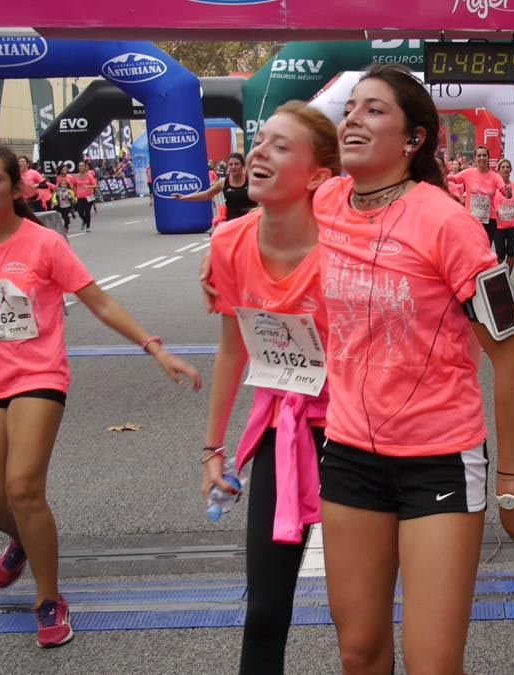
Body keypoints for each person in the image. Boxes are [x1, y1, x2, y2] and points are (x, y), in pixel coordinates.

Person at [314, 65, 514, 674]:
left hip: (438, 460)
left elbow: (509, 359)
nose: (353, 119)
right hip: (348, 454)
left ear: (415, 139)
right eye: (351, 108)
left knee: (432, 665)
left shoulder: (450, 225)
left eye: (373, 111)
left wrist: (512, 485)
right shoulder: (326, 203)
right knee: (358, 652)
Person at [0, 145, 202, 648]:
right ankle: (22, 540)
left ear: (15, 188)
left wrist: (154, 348)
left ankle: (49, 599)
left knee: (23, 485)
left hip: (37, 377)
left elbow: (99, 301)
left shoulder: (43, 244)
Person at [202, 102, 340, 674]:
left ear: (317, 176)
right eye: (260, 141)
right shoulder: (229, 242)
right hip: (284, 433)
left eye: (280, 146)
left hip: (359, 440)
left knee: (358, 624)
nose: (259, 153)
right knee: (263, 614)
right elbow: (235, 345)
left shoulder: (347, 245)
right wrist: (214, 448)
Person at [172, 152, 258, 227]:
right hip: (232, 223)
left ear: (243, 166)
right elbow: (206, 194)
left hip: (250, 222)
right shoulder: (223, 182)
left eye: (237, 164)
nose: (233, 167)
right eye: (231, 164)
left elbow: (265, 201)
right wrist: (185, 197)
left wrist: (257, 209)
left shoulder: (252, 181)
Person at [448, 145, 505, 247]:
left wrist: (508, 191)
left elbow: (505, 191)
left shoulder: (495, 177)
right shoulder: (468, 173)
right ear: (475, 158)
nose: (482, 158)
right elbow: (452, 178)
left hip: (489, 220)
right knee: (471, 248)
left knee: (485, 250)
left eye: (484, 155)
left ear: (488, 157)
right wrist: (438, 175)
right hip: (472, 219)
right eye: (479, 155)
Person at [493, 158, 514, 273]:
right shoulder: (495, 187)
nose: (506, 169)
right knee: (500, 255)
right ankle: (499, 275)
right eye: (503, 167)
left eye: (508, 167)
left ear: (511, 169)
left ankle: (507, 277)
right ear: (498, 170)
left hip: (513, 225)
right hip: (498, 225)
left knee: (511, 252)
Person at [73, 161, 98, 233]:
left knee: (87, 211)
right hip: (80, 196)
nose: (80, 167)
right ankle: (84, 221)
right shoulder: (76, 176)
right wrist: (74, 196)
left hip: (89, 196)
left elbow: (95, 185)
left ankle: (88, 226)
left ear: (85, 167)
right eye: (79, 166)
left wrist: (88, 186)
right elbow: (74, 186)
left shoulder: (89, 176)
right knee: (80, 211)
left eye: (82, 166)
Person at [52, 166, 77, 231]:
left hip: (68, 195)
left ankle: (66, 226)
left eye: (66, 169)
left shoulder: (70, 177)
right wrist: (53, 196)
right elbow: (56, 187)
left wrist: (74, 194)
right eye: (63, 170)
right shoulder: (58, 178)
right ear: (61, 170)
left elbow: (74, 185)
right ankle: (69, 215)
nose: (65, 171)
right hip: (61, 196)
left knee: (66, 212)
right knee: (62, 214)